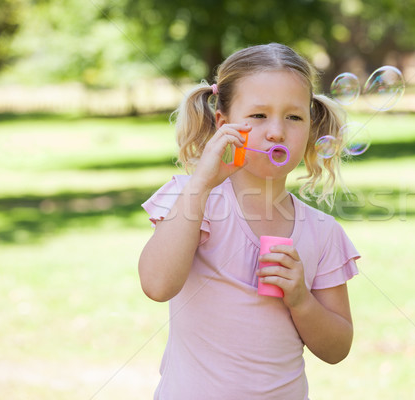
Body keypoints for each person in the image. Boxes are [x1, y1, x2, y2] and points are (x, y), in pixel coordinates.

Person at [139, 43, 360, 399]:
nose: (276, 132)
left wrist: (302, 299)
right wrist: (200, 184)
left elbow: (337, 349)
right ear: (223, 124)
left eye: (294, 117)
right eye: (259, 116)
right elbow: (157, 284)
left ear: (311, 127)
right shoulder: (194, 200)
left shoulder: (323, 231)